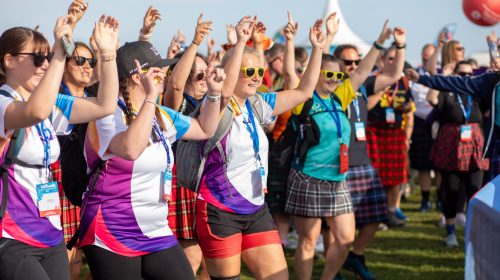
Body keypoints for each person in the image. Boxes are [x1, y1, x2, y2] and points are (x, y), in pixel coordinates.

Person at [78, 38, 225, 279]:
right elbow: (131, 149)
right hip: (113, 226)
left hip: (155, 228)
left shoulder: (160, 114)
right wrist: (149, 99)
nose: (165, 74)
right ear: (138, 76)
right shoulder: (107, 113)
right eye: (159, 69)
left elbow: (204, 129)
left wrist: (214, 94)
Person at [195, 16, 325, 280]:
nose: (257, 78)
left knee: (278, 277)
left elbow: (303, 92)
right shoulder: (216, 106)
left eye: (258, 71)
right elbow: (227, 91)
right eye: (249, 72)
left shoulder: (256, 104)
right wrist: (241, 43)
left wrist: (318, 49)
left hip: (256, 208)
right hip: (219, 209)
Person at [0, 14, 120, 280]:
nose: (44, 66)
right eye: (37, 58)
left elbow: (104, 106)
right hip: (11, 233)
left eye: (47, 58)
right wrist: (59, 52)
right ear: (8, 61)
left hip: (50, 230)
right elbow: (36, 111)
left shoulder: (49, 106)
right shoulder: (3, 103)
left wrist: (108, 54)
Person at [284, 16, 404, 279]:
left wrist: (380, 43)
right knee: (308, 240)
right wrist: (296, 42)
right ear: (316, 75)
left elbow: (362, 72)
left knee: (346, 237)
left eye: (338, 75)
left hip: (338, 178)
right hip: (308, 178)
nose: (335, 78)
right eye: (329, 74)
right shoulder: (302, 99)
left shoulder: (341, 95)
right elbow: (290, 74)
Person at [331, 27, 407, 279]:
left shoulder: (364, 85)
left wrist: (400, 46)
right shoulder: (330, 86)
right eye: (348, 62)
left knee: (376, 216)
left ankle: (355, 256)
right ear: (336, 62)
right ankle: (336, 265)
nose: (353, 66)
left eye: (356, 61)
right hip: (338, 164)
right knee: (337, 226)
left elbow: (395, 73)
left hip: (363, 162)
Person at [162, 14, 212, 279]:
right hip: (181, 184)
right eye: (199, 73)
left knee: (211, 257)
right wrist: (193, 44)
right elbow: (176, 84)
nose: (205, 78)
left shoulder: (212, 104)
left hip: (207, 183)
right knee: (191, 256)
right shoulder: (175, 105)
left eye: (207, 73)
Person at [425, 61, 489, 247]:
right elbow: (431, 99)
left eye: (470, 74)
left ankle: (474, 233)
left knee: (475, 190)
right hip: (451, 143)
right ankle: (451, 233)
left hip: (475, 143)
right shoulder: (447, 89)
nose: (465, 77)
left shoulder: (478, 92)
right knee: (451, 190)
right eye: (461, 73)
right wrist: (443, 77)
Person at [365, 41, 415, 225]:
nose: (394, 62)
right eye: (391, 58)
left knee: (396, 177)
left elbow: (410, 105)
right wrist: (382, 90)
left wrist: (405, 106)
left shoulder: (403, 80)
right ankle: (378, 212)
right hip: (375, 132)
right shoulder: (372, 79)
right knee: (377, 176)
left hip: (395, 132)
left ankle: (392, 211)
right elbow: (367, 106)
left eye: (397, 59)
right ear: (383, 60)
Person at [409, 43, 439, 212]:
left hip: (439, 122)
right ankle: (425, 199)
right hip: (420, 123)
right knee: (423, 165)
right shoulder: (414, 74)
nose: (426, 60)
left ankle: (440, 199)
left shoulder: (441, 74)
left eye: (430, 57)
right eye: (424, 57)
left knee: (440, 165)